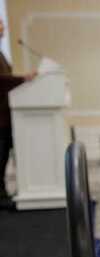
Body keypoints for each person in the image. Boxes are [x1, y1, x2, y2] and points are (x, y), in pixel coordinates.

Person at [0, 18, 36, 201]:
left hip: (6, 115)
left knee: (4, 156)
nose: (3, 28)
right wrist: (22, 79)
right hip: (0, 117)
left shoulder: (1, 53)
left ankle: (3, 194)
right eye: (0, 25)